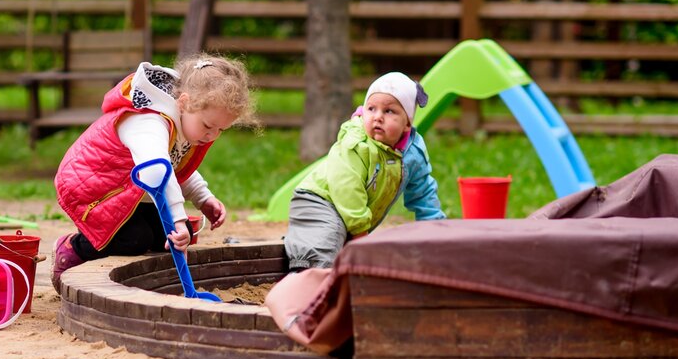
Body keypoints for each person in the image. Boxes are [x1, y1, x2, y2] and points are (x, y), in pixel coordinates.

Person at [51, 54, 259, 285]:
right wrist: (178, 218)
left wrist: (203, 198)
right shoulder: (148, 121)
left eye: (221, 129)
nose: (212, 135)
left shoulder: (187, 121)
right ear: (183, 102)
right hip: (94, 188)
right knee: (135, 239)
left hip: (129, 189)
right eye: (208, 126)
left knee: (174, 237)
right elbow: (156, 171)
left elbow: (175, 164)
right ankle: (72, 248)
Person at [284, 71, 444, 272]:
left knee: (343, 245)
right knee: (327, 239)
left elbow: (423, 191)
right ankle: (306, 274)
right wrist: (360, 230)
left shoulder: (413, 153)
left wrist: (433, 229)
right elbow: (346, 186)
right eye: (371, 108)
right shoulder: (357, 142)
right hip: (319, 200)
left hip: (352, 212)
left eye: (389, 111)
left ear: (407, 124)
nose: (377, 117)